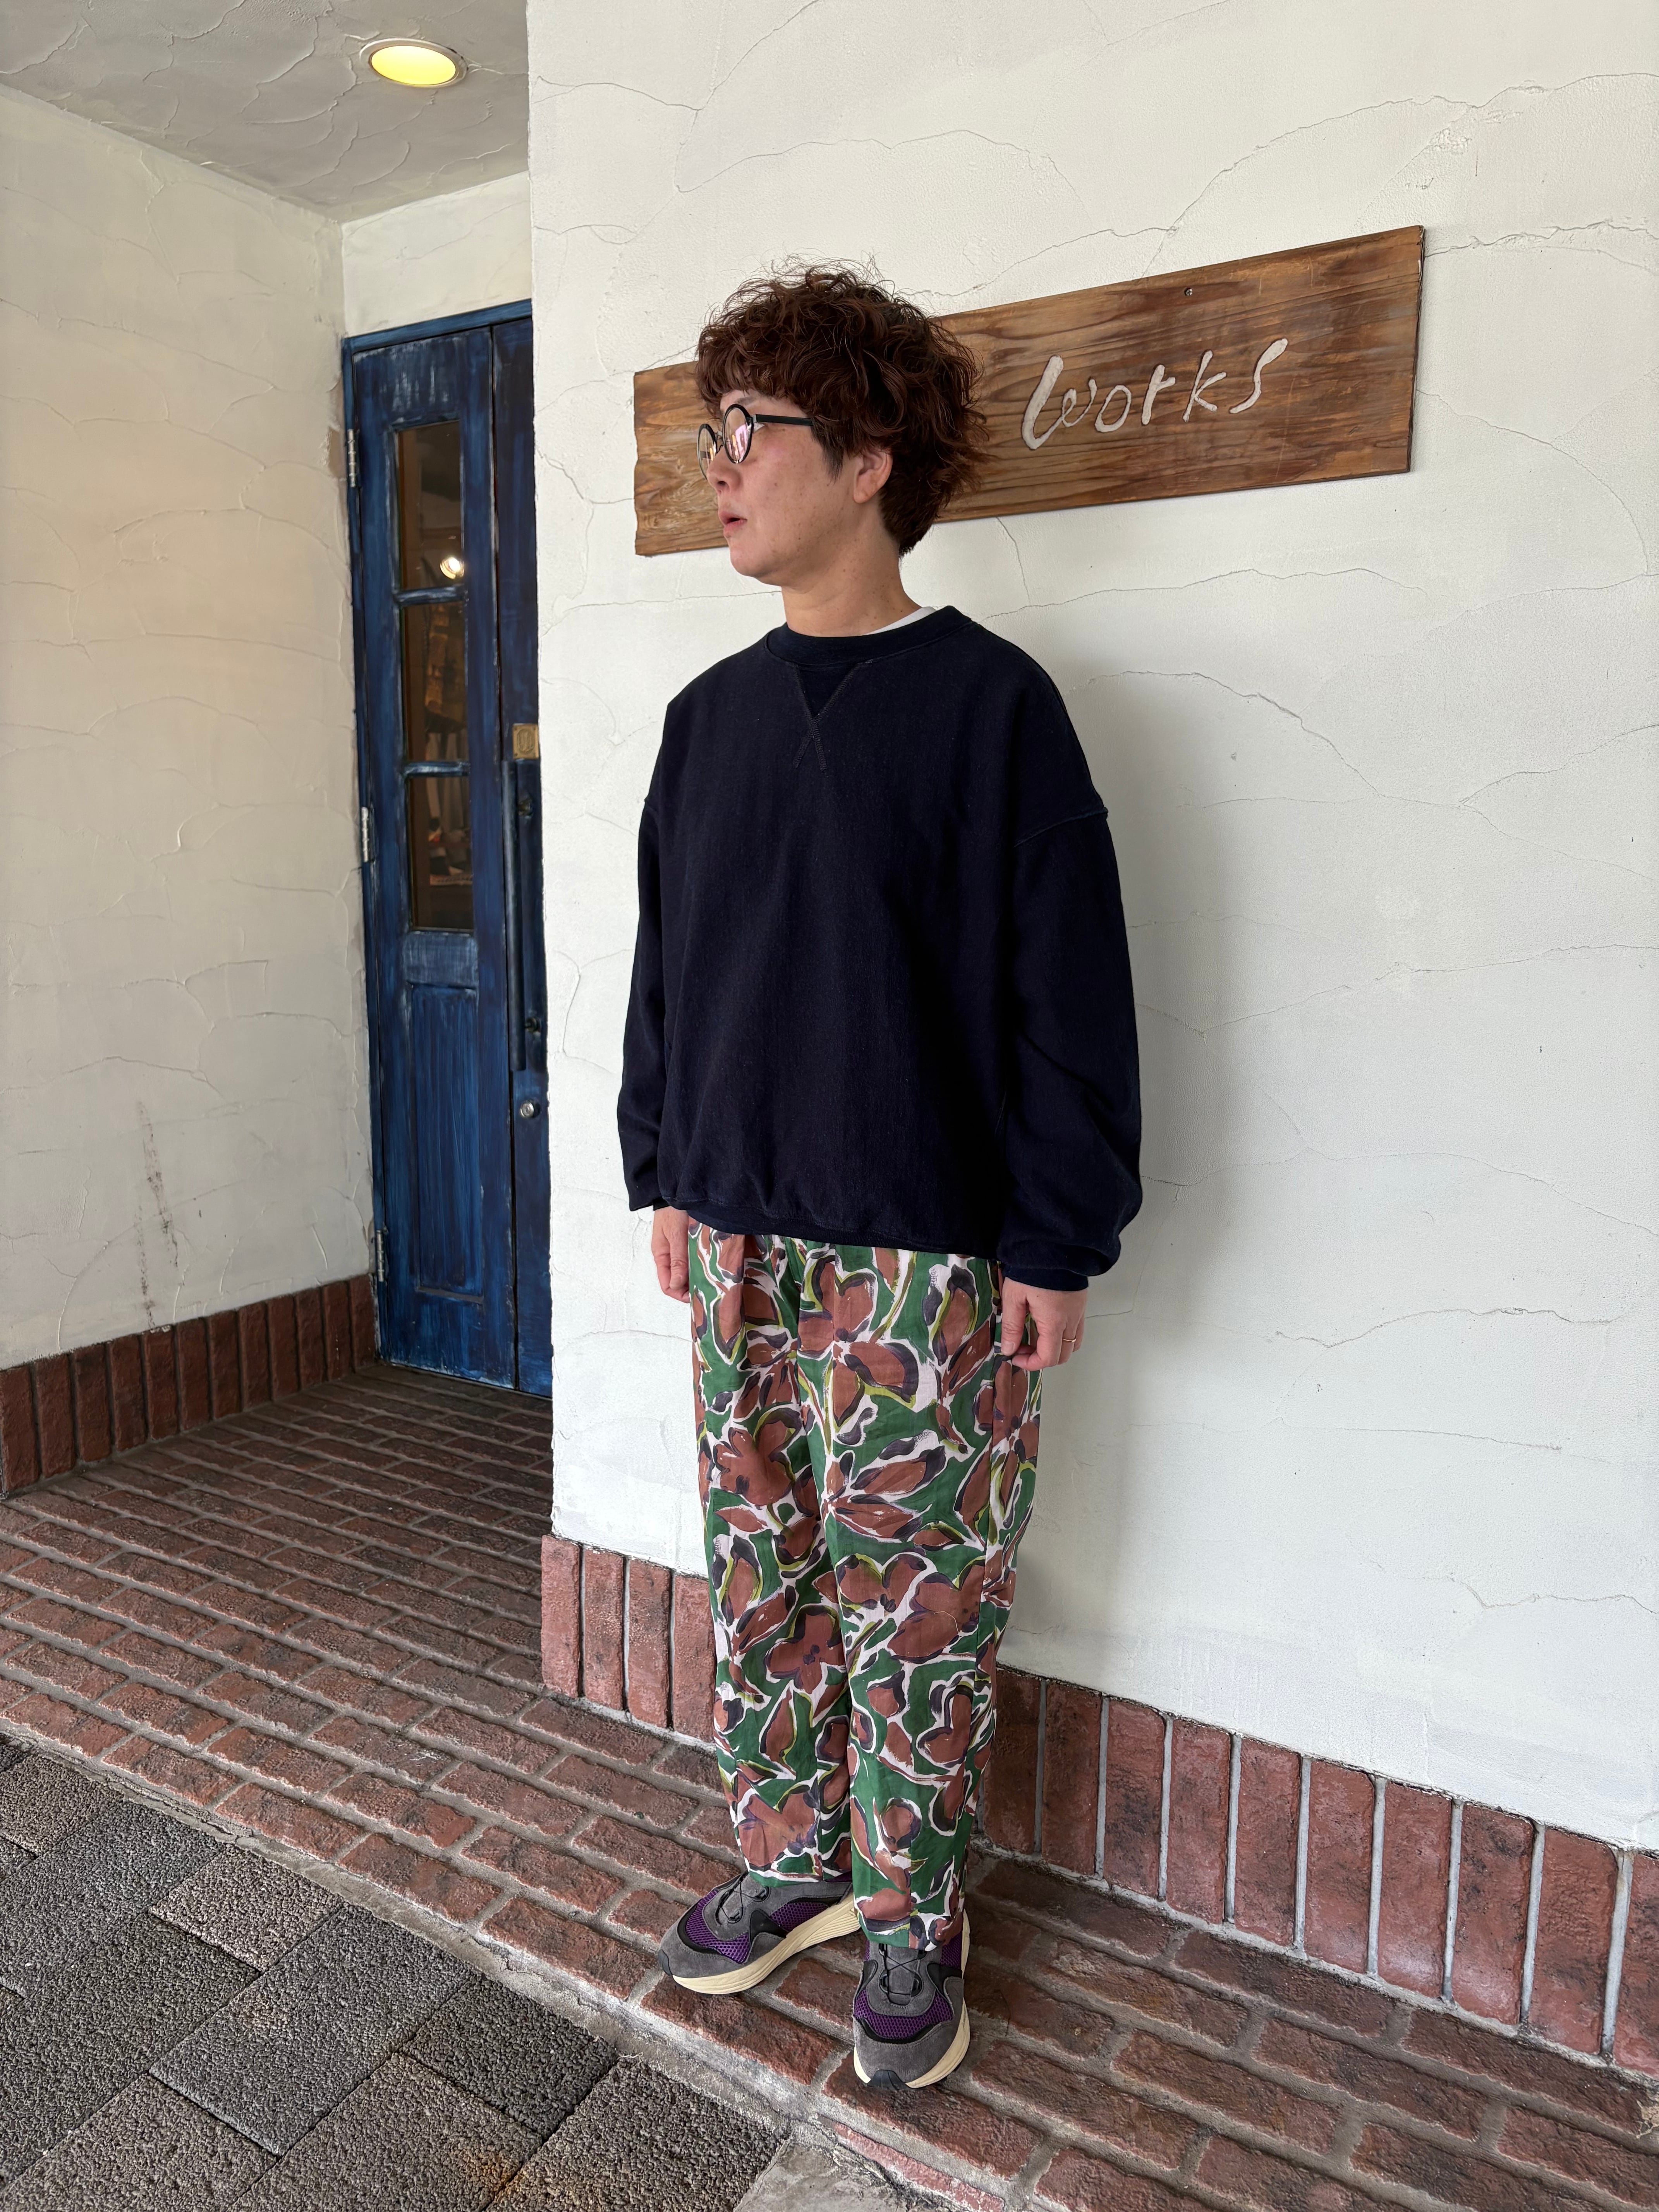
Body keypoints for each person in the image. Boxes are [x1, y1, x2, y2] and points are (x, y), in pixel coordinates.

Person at [617, 266, 1141, 2090]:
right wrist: (666, 1171)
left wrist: (1058, 1239)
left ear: (866, 460)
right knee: (762, 1568)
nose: (719, 465)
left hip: (932, 1261)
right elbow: (672, 971)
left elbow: (1068, 999)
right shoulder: (707, 721)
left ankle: (917, 1905)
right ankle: (797, 1861)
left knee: (921, 1599)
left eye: (749, 430)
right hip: (740, 1236)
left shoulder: (996, 712)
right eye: (711, 431)